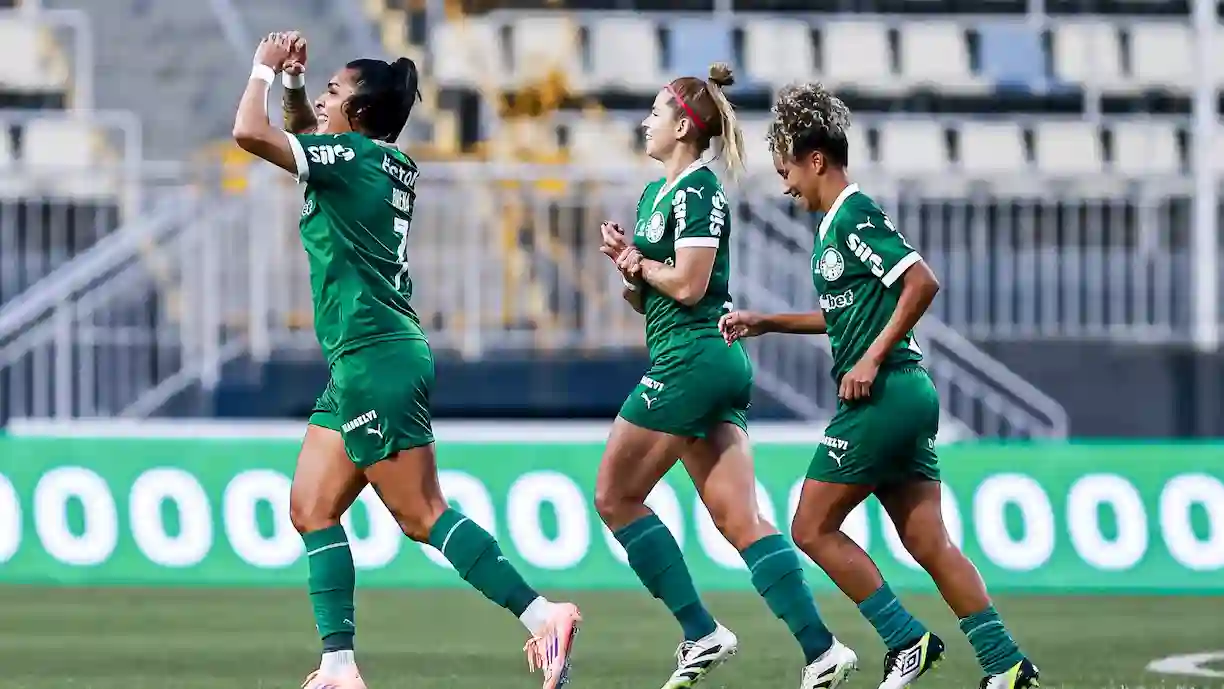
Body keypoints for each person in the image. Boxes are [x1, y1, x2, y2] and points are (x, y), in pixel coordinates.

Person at [232, 32, 581, 689]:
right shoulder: (386, 161)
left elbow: (250, 132)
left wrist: (265, 70)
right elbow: (310, 135)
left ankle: (544, 616)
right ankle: (338, 667)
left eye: (334, 92)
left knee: (422, 513)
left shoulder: (348, 158)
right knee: (311, 506)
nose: (323, 100)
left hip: (375, 358)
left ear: (359, 113)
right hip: (368, 357)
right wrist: (301, 86)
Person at [719, 82, 1040, 689]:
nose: (785, 185)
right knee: (929, 541)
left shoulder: (854, 214)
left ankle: (905, 639)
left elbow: (922, 282)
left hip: (882, 393)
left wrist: (868, 360)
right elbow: (844, 314)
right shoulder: (830, 228)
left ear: (816, 161)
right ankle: (1007, 665)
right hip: (907, 393)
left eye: (787, 170)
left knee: (810, 527)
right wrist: (769, 322)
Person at [596, 63, 858, 689]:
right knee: (740, 520)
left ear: (683, 127)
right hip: (698, 360)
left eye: (655, 112)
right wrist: (628, 267)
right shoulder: (655, 195)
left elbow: (689, 286)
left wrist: (640, 264)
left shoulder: (698, 192)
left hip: (691, 361)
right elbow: (651, 297)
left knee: (615, 496)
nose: (645, 122)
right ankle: (822, 649)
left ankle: (700, 630)